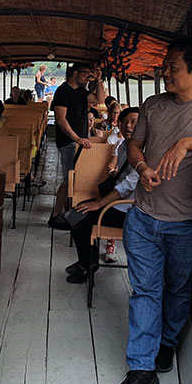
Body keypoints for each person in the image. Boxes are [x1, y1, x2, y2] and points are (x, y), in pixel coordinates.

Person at [113, 39, 192, 384]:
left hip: (186, 221)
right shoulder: (152, 105)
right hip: (143, 216)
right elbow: (134, 145)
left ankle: (169, 342)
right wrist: (142, 166)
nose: (165, 73)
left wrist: (188, 143)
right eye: (164, 66)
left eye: (172, 67)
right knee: (145, 292)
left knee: (177, 289)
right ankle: (141, 369)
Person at [64, 106, 139, 283]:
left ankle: (87, 265)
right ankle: (86, 261)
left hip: (130, 210)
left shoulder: (147, 152)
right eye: (125, 122)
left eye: (134, 122)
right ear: (119, 124)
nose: (128, 126)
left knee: (82, 216)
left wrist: (98, 204)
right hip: (115, 204)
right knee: (75, 214)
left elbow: (127, 187)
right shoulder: (123, 147)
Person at [48, 63, 94, 227]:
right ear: (76, 73)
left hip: (79, 142)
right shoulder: (63, 91)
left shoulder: (82, 92)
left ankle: (68, 213)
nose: (88, 76)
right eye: (86, 73)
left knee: (75, 179)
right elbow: (61, 119)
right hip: (68, 142)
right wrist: (76, 138)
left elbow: (99, 99)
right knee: (69, 180)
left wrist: (100, 80)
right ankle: (55, 216)